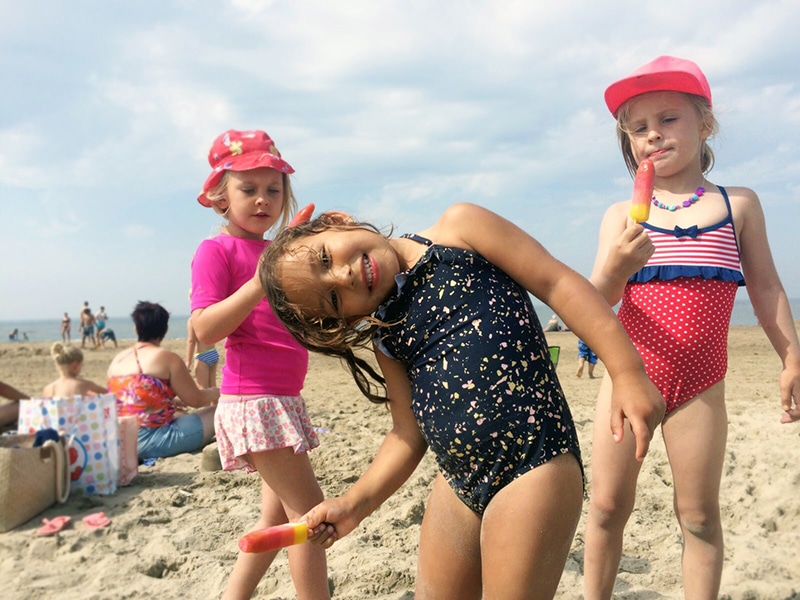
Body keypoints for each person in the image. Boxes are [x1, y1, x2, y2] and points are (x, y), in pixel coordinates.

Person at [259, 202, 665, 599]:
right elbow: (406, 434)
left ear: (337, 221)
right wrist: (353, 504)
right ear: (346, 320)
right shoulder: (387, 333)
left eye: (326, 257)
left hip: (534, 462)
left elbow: (556, 284)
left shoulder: (459, 231)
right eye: (332, 299)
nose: (343, 276)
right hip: (457, 481)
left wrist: (626, 371)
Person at [583, 56, 800, 599]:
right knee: (608, 505)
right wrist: (615, 269)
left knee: (699, 515)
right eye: (638, 128)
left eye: (669, 119)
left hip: (701, 382)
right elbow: (593, 304)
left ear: (705, 124)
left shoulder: (737, 205)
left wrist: (791, 356)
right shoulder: (621, 216)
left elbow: (768, 289)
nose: (653, 135)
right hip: (627, 377)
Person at [190, 129, 329, 600]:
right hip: (254, 400)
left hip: (283, 398)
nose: (262, 199)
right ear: (220, 197)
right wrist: (260, 278)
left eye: (273, 189)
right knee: (310, 516)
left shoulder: (277, 252)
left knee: (276, 519)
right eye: (248, 189)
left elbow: (294, 324)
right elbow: (205, 328)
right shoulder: (217, 251)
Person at [107, 301, 218, 459]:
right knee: (217, 411)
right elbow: (196, 400)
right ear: (165, 329)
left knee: (178, 412)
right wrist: (216, 393)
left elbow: (127, 402)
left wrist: (171, 403)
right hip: (151, 441)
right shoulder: (167, 358)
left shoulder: (118, 360)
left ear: (136, 329)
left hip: (120, 439)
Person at [185, 315, 218, 388]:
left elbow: (191, 341)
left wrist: (188, 362)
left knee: (203, 387)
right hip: (213, 352)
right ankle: (216, 399)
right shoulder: (211, 318)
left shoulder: (192, 320)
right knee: (213, 386)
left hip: (202, 355)